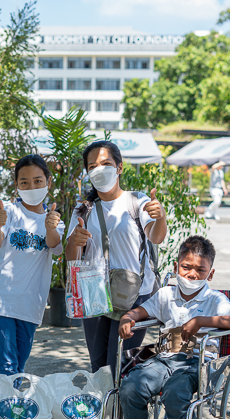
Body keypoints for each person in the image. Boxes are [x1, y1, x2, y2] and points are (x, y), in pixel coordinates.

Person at [118, 235, 230, 419]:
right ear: (176, 267)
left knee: (175, 396)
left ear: (210, 274)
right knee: (130, 386)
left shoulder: (215, 299)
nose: (192, 274)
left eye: (200, 269)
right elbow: (140, 311)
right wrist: (127, 318)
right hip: (164, 359)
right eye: (186, 267)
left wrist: (202, 321)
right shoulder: (166, 294)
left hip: (197, 363)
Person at [65, 140, 167, 378]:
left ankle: (121, 415)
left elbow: (156, 236)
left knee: (121, 367)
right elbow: (72, 259)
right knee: (99, 368)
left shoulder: (136, 201)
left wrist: (159, 216)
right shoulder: (83, 210)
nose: (98, 170)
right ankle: (106, 415)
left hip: (133, 296)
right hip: (95, 296)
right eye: (92, 166)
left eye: (105, 163)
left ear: (119, 167)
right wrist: (74, 241)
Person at [0, 154, 65, 375]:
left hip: (29, 306)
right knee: (7, 367)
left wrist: (51, 227)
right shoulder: (9, 211)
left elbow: (56, 247)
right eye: (24, 182)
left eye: (37, 181)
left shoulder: (54, 220)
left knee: (18, 366)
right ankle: (5, 409)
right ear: (16, 185)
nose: (31, 186)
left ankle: (6, 407)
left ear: (48, 182)